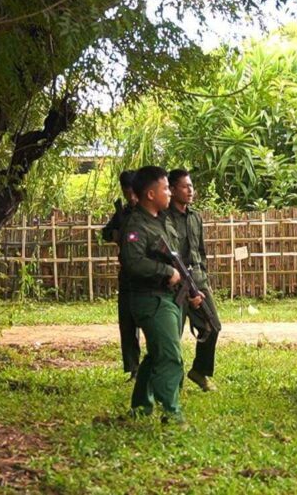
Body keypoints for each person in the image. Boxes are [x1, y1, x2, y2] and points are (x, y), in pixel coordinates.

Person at [122, 165, 191, 424]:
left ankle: (141, 407)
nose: (170, 193)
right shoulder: (137, 225)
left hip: (167, 297)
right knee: (170, 357)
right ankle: (172, 414)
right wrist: (166, 271)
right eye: (165, 189)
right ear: (151, 194)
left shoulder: (160, 221)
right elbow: (133, 262)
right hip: (151, 299)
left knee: (155, 356)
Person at [167, 168, 222, 392]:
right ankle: (173, 381)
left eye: (191, 186)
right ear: (172, 190)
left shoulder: (195, 217)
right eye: (185, 186)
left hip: (198, 279)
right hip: (175, 284)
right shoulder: (165, 218)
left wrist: (203, 278)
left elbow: (200, 251)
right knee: (173, 334)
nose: (190, 190)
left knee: (213, 326)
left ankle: (199, 371)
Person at [101, 170, 140, 378]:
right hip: (127, 275)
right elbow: (106, 232)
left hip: (147, 276)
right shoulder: (122, 213)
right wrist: (115, 234)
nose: (130, 197)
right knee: (127, 324)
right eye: (127, 193)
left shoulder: (149, 212)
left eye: (133, 192)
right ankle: (134, 369)